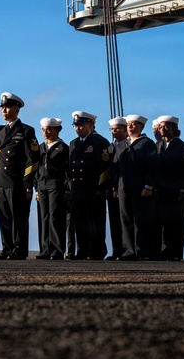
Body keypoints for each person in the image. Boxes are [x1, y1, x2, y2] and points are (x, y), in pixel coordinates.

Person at [0, 92, 39, 260]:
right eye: (2, 108)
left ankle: (19, 250)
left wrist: (26, 180)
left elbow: (34, 158)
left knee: (18, 218)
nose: (4, 110)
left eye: (7, 107)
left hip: (17, 182)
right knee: (5, 219)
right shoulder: (0, 130)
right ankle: (7, 249)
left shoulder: (26, 130)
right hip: (0, 180)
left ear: (17, 109)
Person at [67, 111, 111, 260]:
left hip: (93, 190)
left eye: (81, 125)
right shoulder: (74, 144)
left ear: (90, 125)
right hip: (77, 190)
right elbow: (69, 168)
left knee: (95, 223)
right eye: (76, 125)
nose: (78, 128)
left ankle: (97, 251)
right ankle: (83, 250)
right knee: (80, 223)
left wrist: (101, 188)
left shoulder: (100, 142)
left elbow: (105, 167)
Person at [117, 114, 157, 260]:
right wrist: (116, 188)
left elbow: (153, 166)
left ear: (141, 127)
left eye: (134, 124)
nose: (131, 127)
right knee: (126, 220)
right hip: (124, 187)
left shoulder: (147, 144)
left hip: (141, 189)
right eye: (129, 124)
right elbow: (116, 168)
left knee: (141, 221)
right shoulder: (123, 144)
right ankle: (129, 251)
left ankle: (142, 251)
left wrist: (148, 186)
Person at [153, 115, 184, 260]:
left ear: (174, 129)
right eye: (161, 127)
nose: (163, 130)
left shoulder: (181, 146)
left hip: (175, 190)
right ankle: (163, 250)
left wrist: (183, 188)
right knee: (161, 221)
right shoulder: (158, 146)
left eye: (166, 127)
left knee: (176, 222)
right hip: (161, 190)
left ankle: (175, 252)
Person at [35, 117, 68, 260]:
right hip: (42, 185)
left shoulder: (63, 148)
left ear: (56, 130)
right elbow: (36, 169)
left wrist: (67, 189)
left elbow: (68, 171)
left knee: (55, 217)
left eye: (49, 129)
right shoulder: (40, 148)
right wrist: (36, 188)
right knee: (44, 218)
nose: (46, 132)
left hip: (56, 185)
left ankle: (57, 249)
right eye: (43, 130)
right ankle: (45, 249)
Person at [106, 117, 129, 259]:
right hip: (111, 188)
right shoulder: (109, 147)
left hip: (123, 187)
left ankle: (127, 250)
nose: (115, 131)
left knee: (125, 220)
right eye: (113, 129)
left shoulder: (128, 146)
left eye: (118, 128)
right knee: (114, 221)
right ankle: (116, 251)